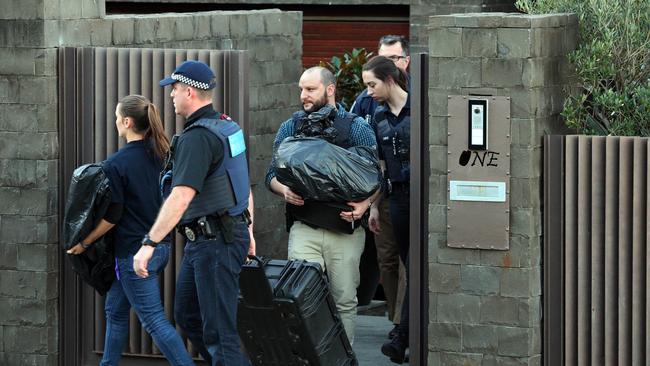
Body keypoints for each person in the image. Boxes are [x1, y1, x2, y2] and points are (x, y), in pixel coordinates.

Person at [132, 60, 252, 366]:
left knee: (219, 333)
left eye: (173, 89)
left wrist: (149, 243)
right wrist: (247, 228)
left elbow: (181, 196)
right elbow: (242, 182)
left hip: (216, 243)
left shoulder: (198, 138)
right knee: (186, 313)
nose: (170, 96)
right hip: (216, 238)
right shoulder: (228, 126)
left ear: (189, 91)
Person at [67, 94, 195, 366]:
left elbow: (113, 216)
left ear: (126, 122)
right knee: (115, 309)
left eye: (116, 118)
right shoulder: (162, 154)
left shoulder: (116, 164)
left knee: (154, 322)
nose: (115, 122)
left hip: (134, 255)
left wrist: (85, 242)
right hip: (161, 248)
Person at [265, 66, 379, 344]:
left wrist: (366, 204)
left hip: (346, 229)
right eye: (301, 89)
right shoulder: (290, 127)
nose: (303, 95)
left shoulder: (356, 127)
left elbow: (376, 177)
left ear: (330, 90)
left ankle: (343, 359)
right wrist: (284, 190)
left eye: (310, 89)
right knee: (299, 297)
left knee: (344, 301)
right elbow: (271, 174)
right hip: (305, 226)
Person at [351, 34, 410, 340]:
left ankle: (404, 326)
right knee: (387, 257)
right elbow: (371, 158)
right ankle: (395, 321)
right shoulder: (365, 103)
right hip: (383, 193)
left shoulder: (417, 95)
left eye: (394, 58)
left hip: (411, 193)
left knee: (408, 261)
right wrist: (371, 203)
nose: (369, 90)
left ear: (403, 63)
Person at [363, 56, 411, 364]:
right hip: (396, 199)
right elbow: (380, 168)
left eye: (372, 84)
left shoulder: (419, 109)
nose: (368, 92)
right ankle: (404, 334)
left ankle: (402, 335)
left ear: (390, 80)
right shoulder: (378, 117)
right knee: (406, 264)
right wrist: (375, 206)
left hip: (421, 196)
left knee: (416, 268)